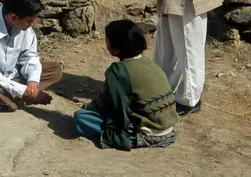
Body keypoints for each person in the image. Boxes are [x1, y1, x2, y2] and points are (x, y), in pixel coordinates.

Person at [73, 20, 178, 151]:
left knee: (81, 117)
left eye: (107, 41)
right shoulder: (150, 64)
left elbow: (104, 103)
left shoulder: (118, 71)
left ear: (116, 49)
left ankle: (124, 138)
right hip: (169, 128)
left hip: (146, 134)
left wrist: (87, 107)